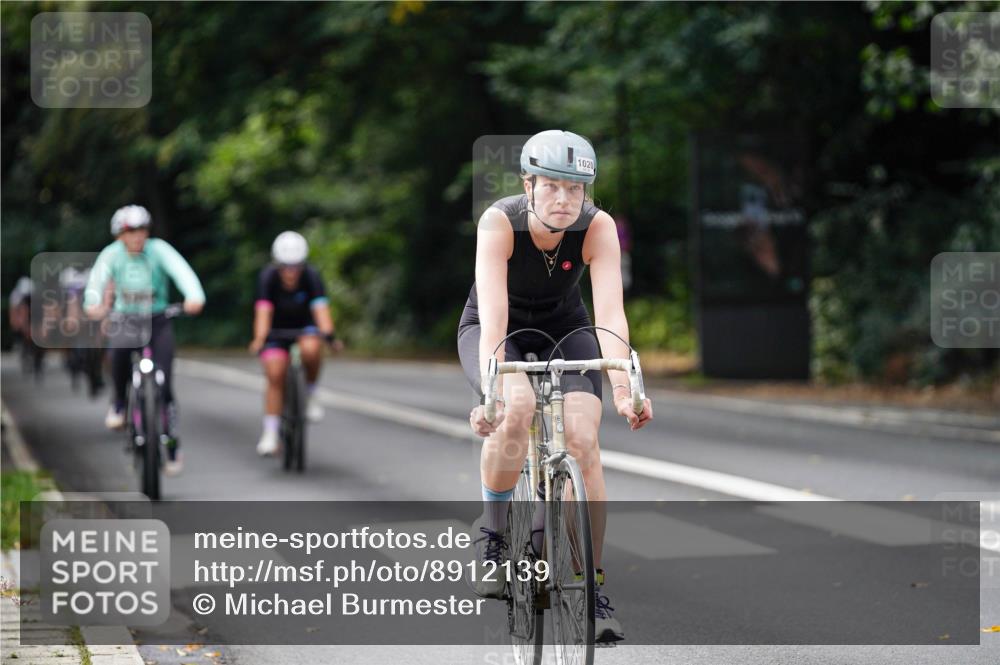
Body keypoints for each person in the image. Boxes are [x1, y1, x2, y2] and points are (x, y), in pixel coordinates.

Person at [457, 130, 653, 643]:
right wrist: (491, 395)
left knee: (584, 441)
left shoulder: (598, 227)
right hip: (497, 330)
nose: (565, 199)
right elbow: (494, 320)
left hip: (566, 327)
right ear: (529, 183)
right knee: (517, 407)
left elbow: (610, 316)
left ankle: (590, 586)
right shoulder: (500, 222)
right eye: (552, 186)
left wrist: (625, 387)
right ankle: (495, 535)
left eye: (576, 188)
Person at [84, 205, 205, 476]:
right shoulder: (111, 254)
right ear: (120, 235)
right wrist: (93, 303)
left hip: (159, 319)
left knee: (165, 384)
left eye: (141, 230)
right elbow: (97, 281)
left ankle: (172, 444)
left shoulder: (159, 249)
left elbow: (182, 271)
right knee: (117, 356)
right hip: (126, 319)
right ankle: (118, 403)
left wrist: (194, 296)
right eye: (130, 231)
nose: (137, 236)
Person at [249, 231, 340, 456]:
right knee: (275, 373)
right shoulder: (267, 277)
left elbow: (321, 311)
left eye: (296, 266)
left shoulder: (311, 276)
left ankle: (310, 392)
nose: (291, 272)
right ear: (277, 265)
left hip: (304, 327)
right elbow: (263, 312)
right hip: (276, 330)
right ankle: (270, 432)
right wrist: (260, 339)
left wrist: (329, 335)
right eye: (285, 267)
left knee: (312, 349)